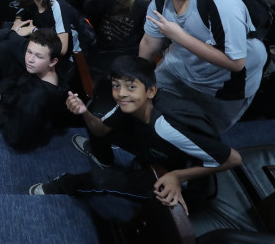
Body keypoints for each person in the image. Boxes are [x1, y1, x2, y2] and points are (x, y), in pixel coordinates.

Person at [29, 56, 241, 217]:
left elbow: (232, 158)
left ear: (150, 91)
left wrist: (178, 176)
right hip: (154, 149)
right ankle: (103, 159)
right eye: (116, 86)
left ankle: (62, 185)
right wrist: (84, 112)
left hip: (177, 176)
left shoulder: (167, 126)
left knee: (104, 180)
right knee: (103, 119)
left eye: (130, 87)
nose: (121, 93)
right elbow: (101, 130)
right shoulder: (128, 105)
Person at [139, 0, 266, 133]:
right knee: (149, 103)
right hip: (181, 64)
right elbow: (149, 43)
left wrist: (179, 36)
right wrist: (139, 75)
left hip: (226, 83)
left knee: (203, 130)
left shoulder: (221, 3)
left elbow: (236, 63)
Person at [0, 28, 66, 149]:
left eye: (38, 56)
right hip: (8, 95)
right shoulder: (44, 71)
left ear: (53, 62)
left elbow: (15, 137)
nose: (30, 59)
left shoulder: (34, 98)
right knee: (0, 47)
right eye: (29, 51)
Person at [0, 0, 87, 79]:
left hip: (68, 58)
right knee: (5, 36)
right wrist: (17, 22)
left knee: (5, 46)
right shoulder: (33, 1)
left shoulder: (57, 6)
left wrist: (34, 31)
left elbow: (62, 49)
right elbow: (21, 13)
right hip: (45, 47)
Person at [82, 0, 150, 80]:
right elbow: (89, 16)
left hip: (122, 53)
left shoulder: (143, 4)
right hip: (98, 46)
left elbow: (144, 38)